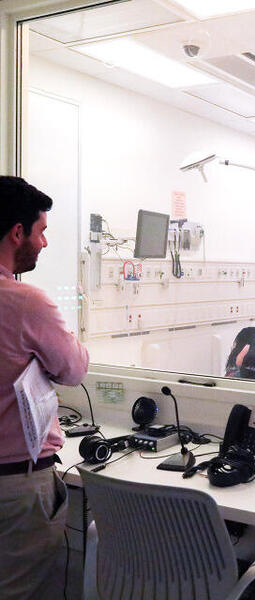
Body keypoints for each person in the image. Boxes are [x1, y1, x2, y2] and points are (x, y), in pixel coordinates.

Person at [0, 177, 89, 598]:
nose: (45, 243)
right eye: (42, 231)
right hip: (16, 489)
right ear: (17, 232)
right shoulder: (24, 302)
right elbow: (72, 369)